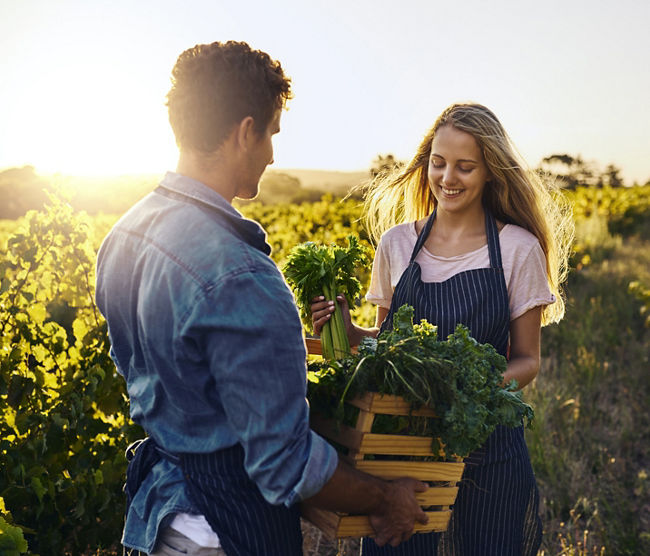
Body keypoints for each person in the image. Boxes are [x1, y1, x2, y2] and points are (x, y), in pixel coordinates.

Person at [95, 41, 429, 556]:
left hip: (157, 519)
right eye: (272, 132)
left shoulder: (125, 235)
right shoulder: (244, 275)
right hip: (222, 532)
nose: (273, 151)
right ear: (245, 131)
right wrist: (386, 496)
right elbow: (284, 464)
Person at [311, 102, 574, 555]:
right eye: (438, 163)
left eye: (465, 167)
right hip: (402, 455)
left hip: (488, 449)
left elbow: (528, 360)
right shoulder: (397, 243)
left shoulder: (516, 248)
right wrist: (353, 335)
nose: (447, 178)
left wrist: (464, 392)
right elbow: (389, 347)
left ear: (491, 170)